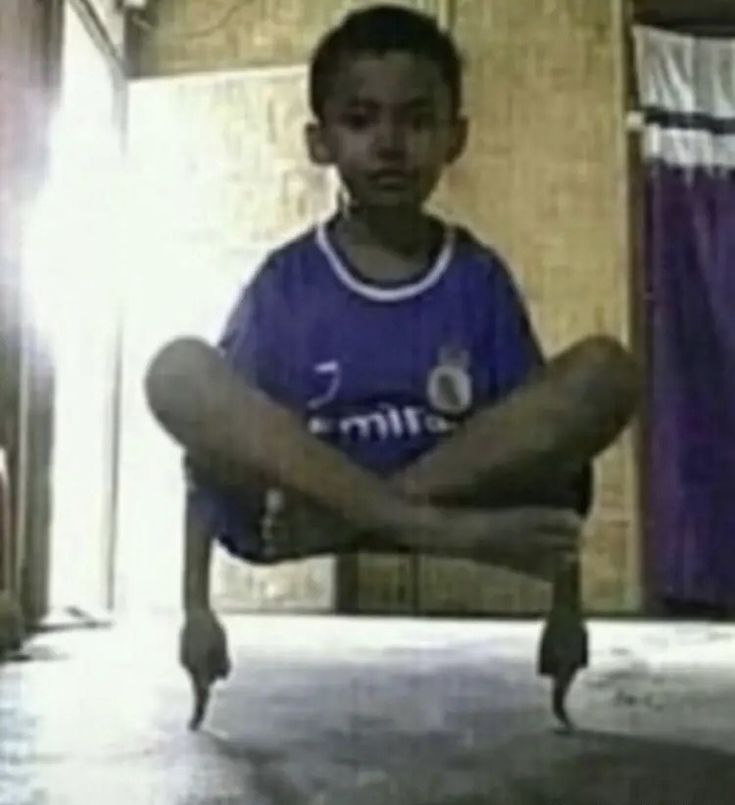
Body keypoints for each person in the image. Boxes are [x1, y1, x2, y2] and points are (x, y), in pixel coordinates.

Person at [144, 5, 638, 731]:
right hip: (296, 512)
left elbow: (553, 447)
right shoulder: (285, 283)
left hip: (404, 503)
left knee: (606, 370)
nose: (388, 145)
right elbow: (210, 447)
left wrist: (566, 612)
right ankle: (405, 519)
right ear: (320, 141)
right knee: (177, 370)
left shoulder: (475, 279)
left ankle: (381, 511)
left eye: (415, 120)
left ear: (455, 137)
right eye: (360, 120)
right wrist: (195, 610)